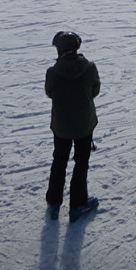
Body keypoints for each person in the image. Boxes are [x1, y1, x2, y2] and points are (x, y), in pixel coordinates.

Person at [43, 31, 100, 216]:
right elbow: (95, 90)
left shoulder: (53, 72)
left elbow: (49, 92)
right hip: (84, 125)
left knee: (59, 161)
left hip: (61, 126)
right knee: (81, 163)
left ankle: (53, 203)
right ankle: (77, 204)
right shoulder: (89, 68)